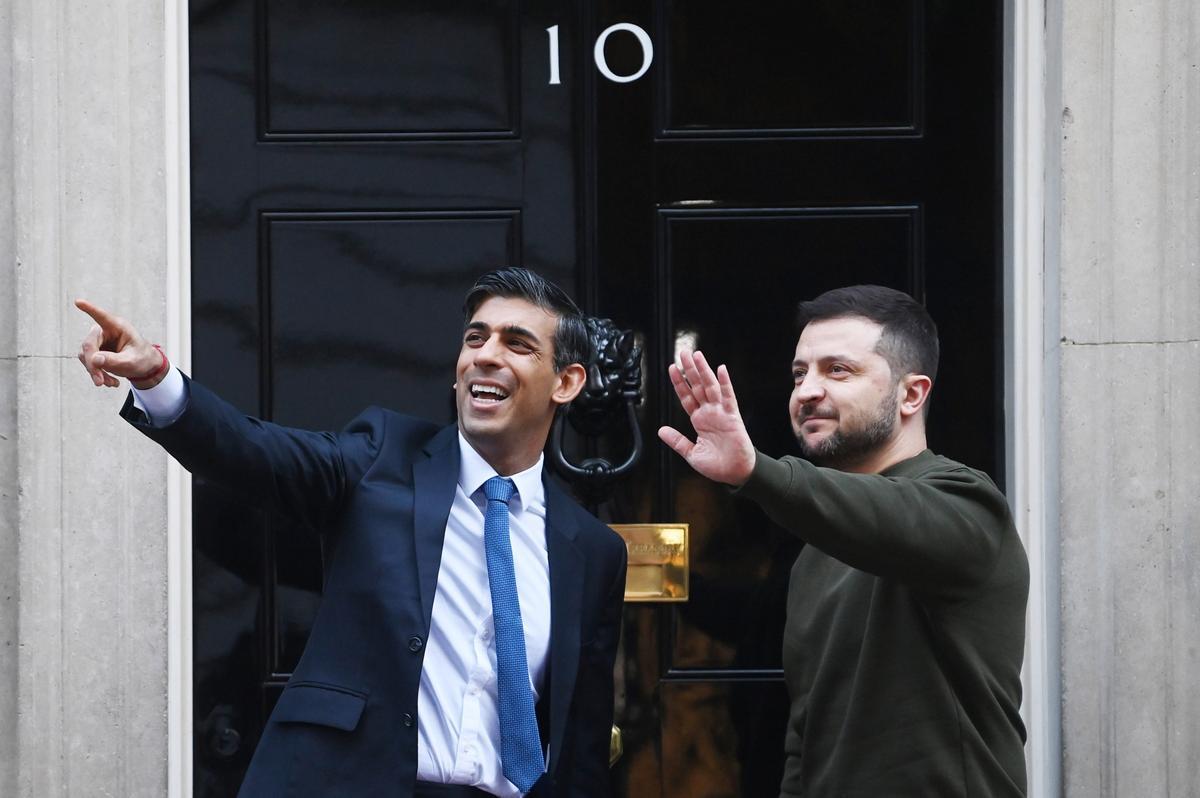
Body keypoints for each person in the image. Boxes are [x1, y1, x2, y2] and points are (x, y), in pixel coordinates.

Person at [76, 267, 628, 798]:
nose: (485, 356)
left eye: (517, 344)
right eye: (476, 338)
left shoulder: (593, 552)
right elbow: (254, 452)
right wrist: (156, 378)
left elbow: (580, 744)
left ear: (566, 382)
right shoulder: (382, 457)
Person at [658, 285, 1028, 796]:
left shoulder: (967, 505)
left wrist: (755, 471)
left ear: (911, 393)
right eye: (799, 373)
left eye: (838, 370)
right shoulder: (816, 552)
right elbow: (806, 734)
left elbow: (888, 519)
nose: (807, 390)